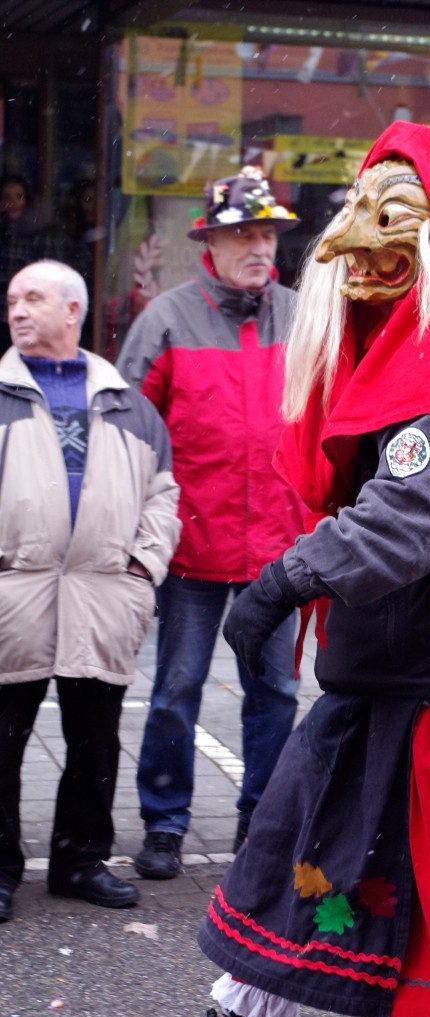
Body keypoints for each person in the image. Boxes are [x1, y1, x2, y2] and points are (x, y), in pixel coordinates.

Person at [104, 123, 430, 1017]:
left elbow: (412, 519)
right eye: (353, 218)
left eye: (393, 219)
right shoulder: (413, 354)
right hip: (396, 674)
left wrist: (286, 577)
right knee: (298, 859)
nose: (352, 249)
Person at [117, 168, 305, 880]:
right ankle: (164, 822)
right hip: (192, 545)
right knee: (174, 691)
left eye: (267, 234)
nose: (260, 247)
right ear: (213, 242)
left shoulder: (302, 315)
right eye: (245, 234)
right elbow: (130, 433)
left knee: (277, 694)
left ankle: (263, 820)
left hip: (281, 550)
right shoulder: (165, 319)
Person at [0, 260, 180, 925]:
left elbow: (163, 495)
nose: (18, 311)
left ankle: (80, 861)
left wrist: (142, 569)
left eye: (34, 299)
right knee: (2, 740)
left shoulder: (129, 404)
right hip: (12, 593)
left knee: (96, 738)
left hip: (104, 595)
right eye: (13, 300)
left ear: (73, 311)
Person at [0, 174, 45, 352]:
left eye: (18, 196)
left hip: (25, 307)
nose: (12, 202)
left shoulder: (36, 231)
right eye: (6, 197)